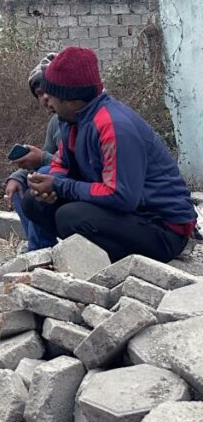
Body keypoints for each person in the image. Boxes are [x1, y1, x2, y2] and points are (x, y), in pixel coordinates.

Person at [21, 46, 198, 263]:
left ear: (71, 101)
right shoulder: (69, 121)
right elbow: (62, 165)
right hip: (127, 214)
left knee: (70, 217)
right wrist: (50, 186)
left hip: (162, 227)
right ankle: (48, 260)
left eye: (52, 96)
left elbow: (121, 197)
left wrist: (59, 186)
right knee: (34, 202)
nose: (47, 101)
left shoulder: (114, 125)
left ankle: (112, 267)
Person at [3, 54, 61, 250]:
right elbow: (48, 157)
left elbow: (79, 165)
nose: (44, 97)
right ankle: (40, 251)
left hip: (86, 192)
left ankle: (38, 253)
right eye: (39, 93)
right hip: (65, 185)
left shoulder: (86, 119)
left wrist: (42, 159)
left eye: (48, 90)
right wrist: (17, 176)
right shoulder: (56, 123)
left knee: (41, 177)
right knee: (20, 186)